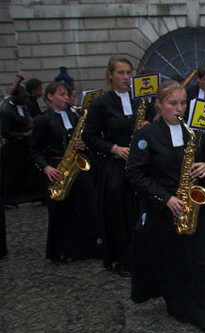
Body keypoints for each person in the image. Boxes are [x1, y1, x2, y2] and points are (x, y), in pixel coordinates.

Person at [126, 80, 205, 333]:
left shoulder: (195, 131)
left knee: (204, 260)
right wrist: (165, 198)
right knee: (173, 263)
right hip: (165, 211)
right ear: (159, 105)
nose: (179, 109)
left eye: (183, 103)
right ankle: (181, 308)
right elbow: (135, 174)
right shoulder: (146, 135)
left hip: (196, 207)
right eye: (173, 103)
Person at [83, 55, 149, 276]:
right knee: (119, 214)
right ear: (110, 75)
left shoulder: (139, 101)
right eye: (121, 73)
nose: (126, 77)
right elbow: (90, 137)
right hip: (115, 166)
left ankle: (142, 256)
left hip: (139, 164)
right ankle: (121, 259)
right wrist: (115, 148)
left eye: (129, 73)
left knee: (140, 211)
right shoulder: (101, 103)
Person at [30, 82, 101, 264]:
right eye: (61, 94)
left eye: (67, 95)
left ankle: (88, 246)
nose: (66, 98)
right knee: (61, 211)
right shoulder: (43, 120)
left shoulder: (74, 115)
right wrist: (46, 167)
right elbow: (34, 150)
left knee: (88, 204)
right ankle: (61, 250)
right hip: (56, 166)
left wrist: (84, 145)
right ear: (50, 96)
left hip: (76, 163)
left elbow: (83, 138)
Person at [0, 86, 47, 205]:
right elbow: (5, 132)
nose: (26, 99)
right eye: (23, 97)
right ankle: (11, 198)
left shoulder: (24, 107)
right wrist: (24, 134)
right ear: (15, 97)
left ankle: (33, 195)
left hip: (26, 145)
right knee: (14, 173)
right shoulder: (7, 111)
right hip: (14, 146)